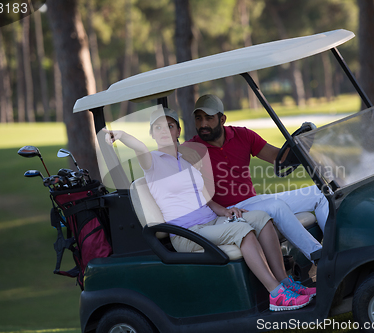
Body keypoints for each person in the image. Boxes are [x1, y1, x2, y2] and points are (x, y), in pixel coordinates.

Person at [104, 107, 315, 311]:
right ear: (152, 134)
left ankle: (285, 282)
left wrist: (225, 211)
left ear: (177, 131)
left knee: (261, 218)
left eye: (169, 126)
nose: (164, 131)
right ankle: (276, 293)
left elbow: (203, 197)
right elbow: (139, 147)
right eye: (157, 128)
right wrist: (121, 134)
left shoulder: (186, 161)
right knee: (241, 230)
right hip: (187, 233)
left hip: (211, 221)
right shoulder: (151, 162)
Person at [185, 94, 330, 262]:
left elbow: (279, 159)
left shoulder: (243, 135)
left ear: (222, 119)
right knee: (276, 206)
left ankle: (337, 248)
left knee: (321, 192)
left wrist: (302, 143)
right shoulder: (190, 150)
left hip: (253, 201)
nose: (203, 124)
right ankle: (321, 258)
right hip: (227, 212)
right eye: (198, 118)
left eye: (209, 118)